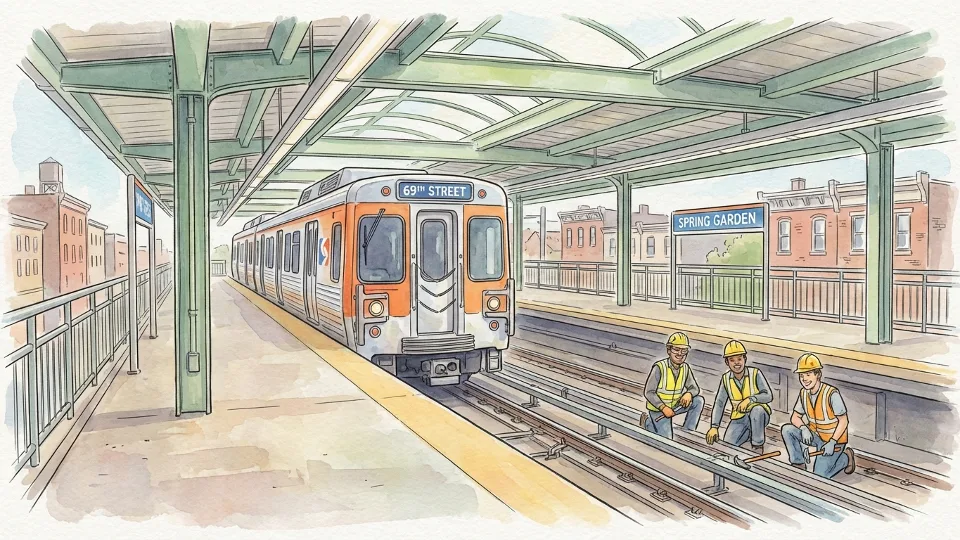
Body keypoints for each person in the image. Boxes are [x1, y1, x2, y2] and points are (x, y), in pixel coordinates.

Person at [780, 353, 856, 478]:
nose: (804, 379)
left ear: (818, 375)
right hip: (815, 435)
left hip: (833, 440)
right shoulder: (804, 393)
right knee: (787, 429)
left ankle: (846, 458)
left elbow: (843, 421)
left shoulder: (831, 394)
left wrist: (832, 442)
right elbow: (795, 417)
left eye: (808, 374)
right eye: (801, 375)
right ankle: (798, 464)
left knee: (820, 475)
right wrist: (804, 428)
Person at [705, 340, 773, 453]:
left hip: (760, 416)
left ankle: (757, 446)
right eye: (732, 360)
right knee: (728, 446)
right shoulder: (726, 379)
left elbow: (768, 395)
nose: (737, 363)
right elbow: (720, 403)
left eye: (739, 359)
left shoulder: (755, 373)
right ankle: (747, 435)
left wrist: (751, 399)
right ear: (727, 362)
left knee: (757, 410)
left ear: (744, 359)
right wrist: (714, 426)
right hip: (739, 418)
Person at [640, 331, 704, 439]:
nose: (680, 354)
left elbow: (695, 388)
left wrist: (689, 393)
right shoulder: (659, 367)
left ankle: (688, 432)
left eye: (683, 350)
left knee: (698, 401)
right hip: (659, 409)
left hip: (675, 405)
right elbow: (649, 392)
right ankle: (647, 422)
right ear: (669, 350)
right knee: (667, 440)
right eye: (676, 349)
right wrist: (663, 407)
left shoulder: (685, 368)